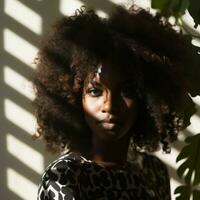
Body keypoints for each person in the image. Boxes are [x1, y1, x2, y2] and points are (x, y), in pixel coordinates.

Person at [33, 4, 196, 200]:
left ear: (146, 97)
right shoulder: (65, 177)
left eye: (126, 91)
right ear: (75, 98)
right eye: (95, 91)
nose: (110, 106)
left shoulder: (153, 171)